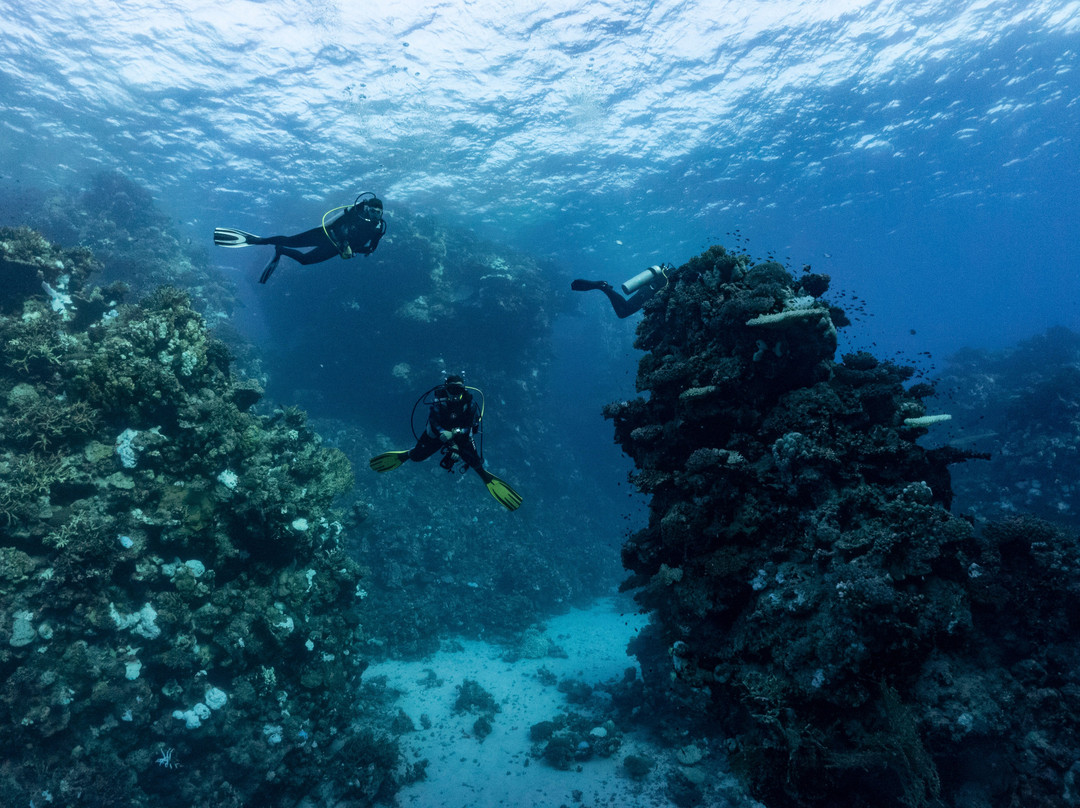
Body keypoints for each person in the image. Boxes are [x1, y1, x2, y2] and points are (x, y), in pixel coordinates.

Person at [368, 374, 523, 511]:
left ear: (463, 390)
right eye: (452, 390)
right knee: (417, 457)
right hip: (438, 434)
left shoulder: (469, 405)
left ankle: (485, 477)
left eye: (459, 390)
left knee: (476, 463)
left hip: (461, 437)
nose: (455, 394)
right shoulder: (438, 402)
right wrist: (443, 433)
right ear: (446, 389)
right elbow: (433, 422)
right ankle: (408, 454)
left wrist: (455, 437)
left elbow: (470, 427)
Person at [214, 192, 386, 283]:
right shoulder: (354, 214)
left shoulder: (378, 229)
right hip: (324, 234)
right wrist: (346, 242)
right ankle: (256, 240)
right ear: (366, 209)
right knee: (290, 240)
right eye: (372, 211)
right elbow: (334, 225)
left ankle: (280, 251)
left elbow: (371, 248)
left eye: (378, 213)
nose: (375, 215)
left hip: (334, 248)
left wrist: (355, 251)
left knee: (304, 261)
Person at [571, 262, 674, 318]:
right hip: (649, 290)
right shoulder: (675, 280)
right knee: (625, 309)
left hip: (649, 289)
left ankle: (604, 288)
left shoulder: (672, 277)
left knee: (622, 313)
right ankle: (604, 287)